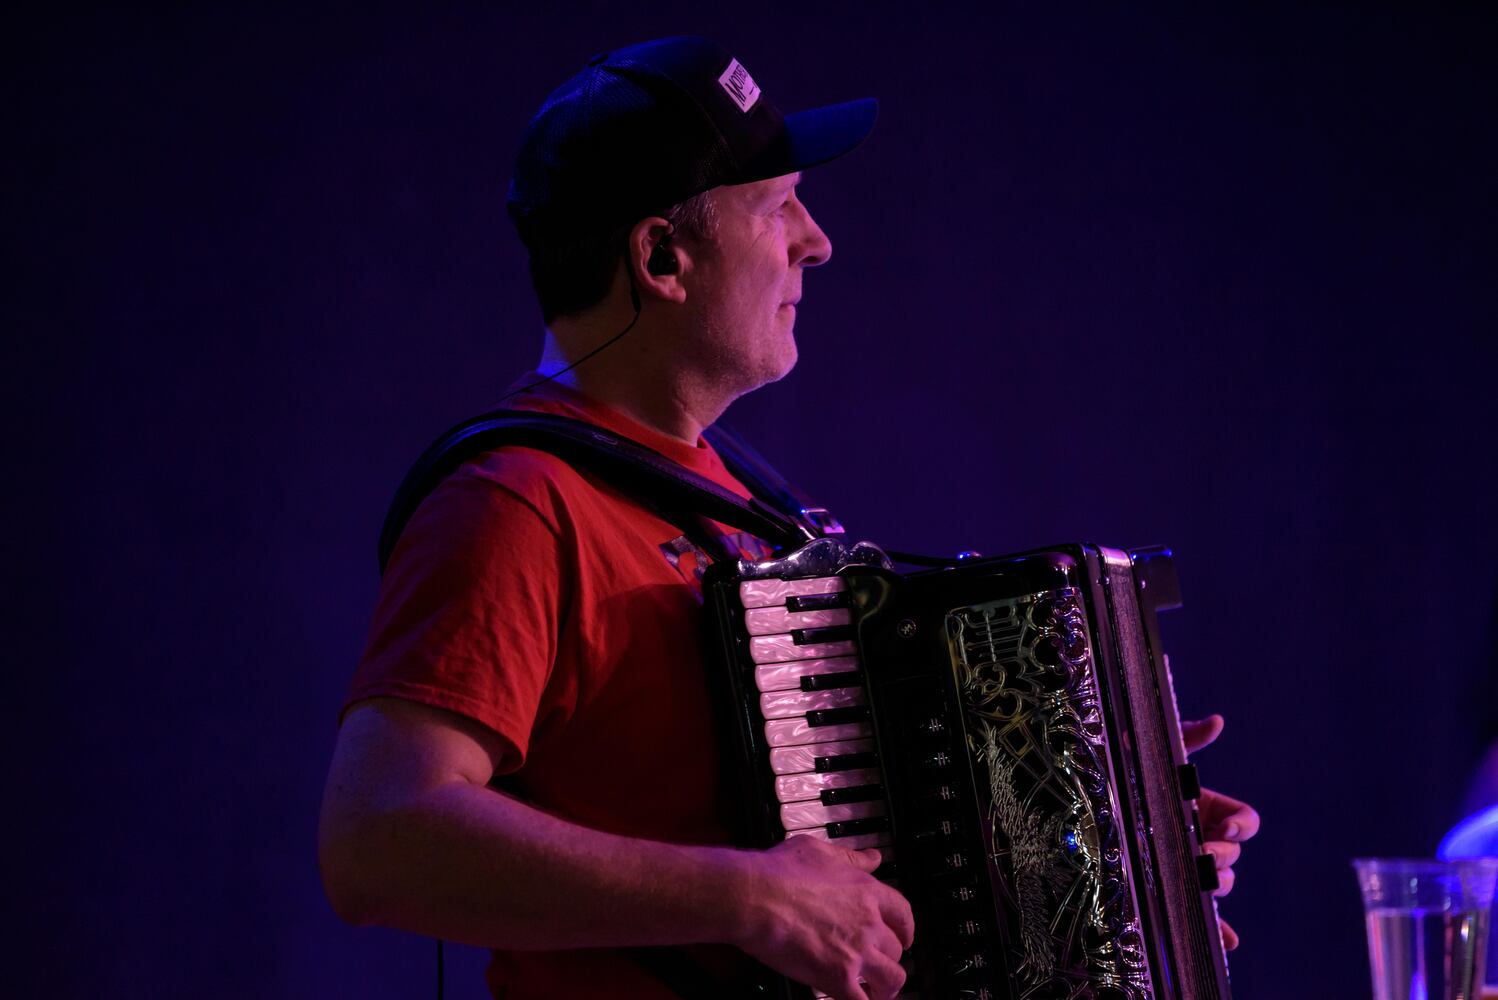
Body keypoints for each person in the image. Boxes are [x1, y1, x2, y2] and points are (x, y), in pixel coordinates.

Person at [317, 36, 1259, 1000]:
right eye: (777, 208)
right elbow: (377, 838)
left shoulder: (740, 498)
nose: (817, 240)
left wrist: (1099, 825)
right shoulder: (518, 504)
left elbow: (865, 832)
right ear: (662, 257)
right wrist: (745, 897)